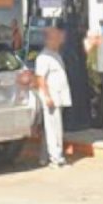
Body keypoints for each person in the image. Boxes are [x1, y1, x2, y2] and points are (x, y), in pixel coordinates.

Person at [35, 25, 71, 168]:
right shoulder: (44, 57)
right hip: (52, 98)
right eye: (56, 37)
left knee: (53, 128)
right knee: (53, 129)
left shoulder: (56, 54)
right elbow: (40, 78)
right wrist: (47, 96)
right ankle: (56, 159)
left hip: (59, 97)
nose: (60, 40)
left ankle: (46, 157)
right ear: (49, 39)